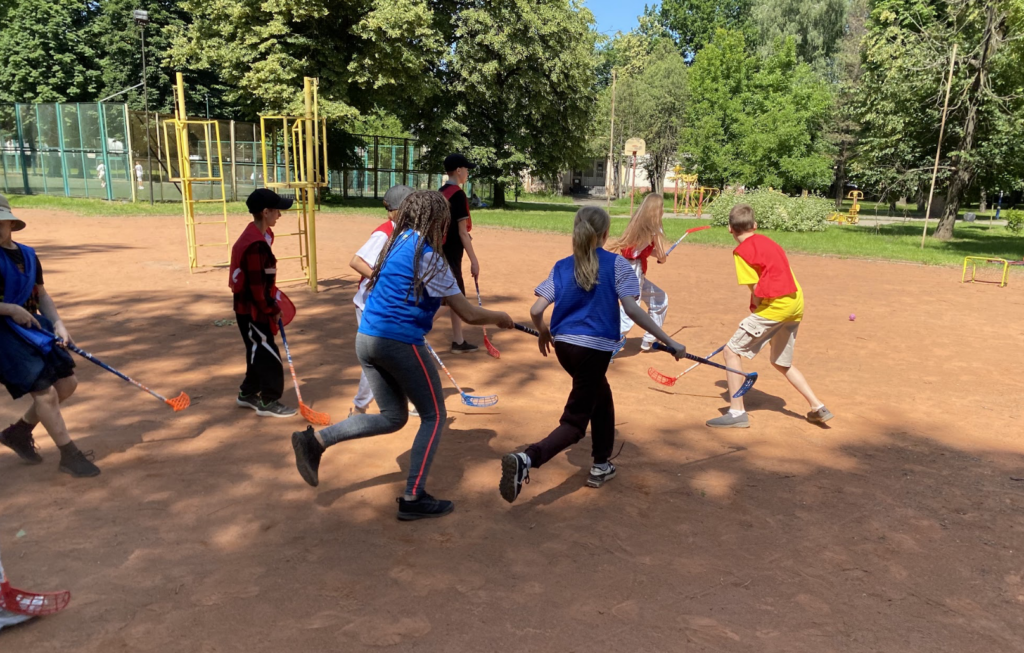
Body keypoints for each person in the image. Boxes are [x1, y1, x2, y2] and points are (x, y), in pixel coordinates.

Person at [291, 191, 514, 521]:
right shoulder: (431, 258)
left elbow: (415, 293)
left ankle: (317, 442)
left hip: (367, 338)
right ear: (437, 222)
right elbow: (467, 313)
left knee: (393, 417)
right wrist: (499, 317)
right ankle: (413, 496)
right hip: (398, 342)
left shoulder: (397, 242)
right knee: (434, 416)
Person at [499, 207, 686, 503]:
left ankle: (601, 463)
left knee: (601, 396)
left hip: (565, 348)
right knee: (575, 424)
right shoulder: (617, 264)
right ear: (605, 234)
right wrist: (669, 341)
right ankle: (528, 459)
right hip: (594, 349)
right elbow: (633, 309)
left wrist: (544, 332)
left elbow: (536, 310)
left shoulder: (563, 265)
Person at [706, 203, 833, 428]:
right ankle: (817, 407)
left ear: (730, 229)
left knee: (731, 351)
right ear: (755, 225)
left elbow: (756, 289)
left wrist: (757, 308)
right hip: (795, 303)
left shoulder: (741, 252)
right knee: (780, 362)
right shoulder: (769, 242)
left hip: (777, 307)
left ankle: (737, 413)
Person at [0, 193, 100, 477]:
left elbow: (41, 294)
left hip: (32, 328)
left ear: (11, 224)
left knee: (66, 384)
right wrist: (8, 308)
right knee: (45, 393)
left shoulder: (28, 255)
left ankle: (18, 433)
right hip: (4, 335)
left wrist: (58, 324)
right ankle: (69, 455)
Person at [229, 188, 297, 418]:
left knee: (257, 349)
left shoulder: (259, 236)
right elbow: (256, 288)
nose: (280, 215)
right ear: (266, 212)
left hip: (252, 307)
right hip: (253, 310)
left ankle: (248, 393)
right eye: (277, 210)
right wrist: (272, 308)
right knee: (268, 353)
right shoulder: (255, 245)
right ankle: (269, 401)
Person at [347, 184, 412, 416]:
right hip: (370, 304)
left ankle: (409, 398)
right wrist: (382, 280)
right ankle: (359, 408)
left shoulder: (406, 232)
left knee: (399, 351)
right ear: (396, 210)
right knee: (377, 358)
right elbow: (356, 262)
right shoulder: (384, 233)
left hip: (387, 303)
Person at [608, 192, 670, 353]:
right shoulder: (654, 227)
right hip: (633, 270)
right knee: (631, 309)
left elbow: (642, 250)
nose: (663, 210)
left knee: (660, 299)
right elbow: (661, 257)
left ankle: (649, 338)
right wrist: (663, 257)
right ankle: (610, 343)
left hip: (627, 266)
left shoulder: (639, 222)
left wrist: (660, 255)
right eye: (662, 207)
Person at [439, 153, 480, 354]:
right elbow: (463, 232)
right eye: (466, 169)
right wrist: (474, 261)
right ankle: (414, 330)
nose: (467, 173)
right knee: (454, 298)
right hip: (452, 254)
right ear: (458, 170)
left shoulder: (440, 192)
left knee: (452, 296)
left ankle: (458, 340)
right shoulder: (458, 195)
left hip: (438, 251)